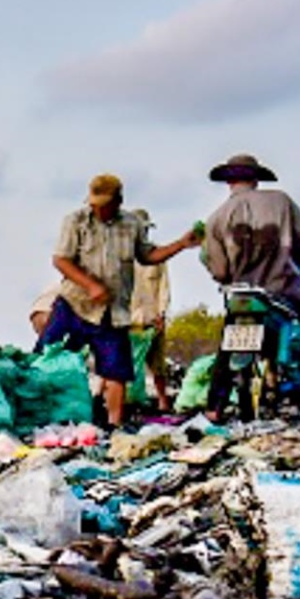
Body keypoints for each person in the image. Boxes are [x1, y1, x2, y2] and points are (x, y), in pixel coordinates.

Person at [200, 153, 300, 419]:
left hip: (242, 291)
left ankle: (213, 409)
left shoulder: (216, 218)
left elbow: (219, 270)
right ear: (255, 179)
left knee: (227, 346)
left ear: (229, 181)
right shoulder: (281, 201)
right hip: (284, 285)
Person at [38, 174, 198, 428]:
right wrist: (90, 285)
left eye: (104, 204)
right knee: (46, 361)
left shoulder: (131, 224)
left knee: (116, 372)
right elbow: (61, 260)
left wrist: (180, 244)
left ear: (118, 201)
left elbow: (148, 256)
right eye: (95, 204)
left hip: (113, 311)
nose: (98, 209)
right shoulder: (75, 221)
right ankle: (40, 420)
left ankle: (114, 426)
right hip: (75, 304)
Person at [129, 219, 174, 414]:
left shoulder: (157, 257)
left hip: (152, 318)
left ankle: (163, 401)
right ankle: (126, 402)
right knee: (126, 364)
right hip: (128, 320)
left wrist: (161, 314)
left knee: (157, 364)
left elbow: (164, 288)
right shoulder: (121, 256)